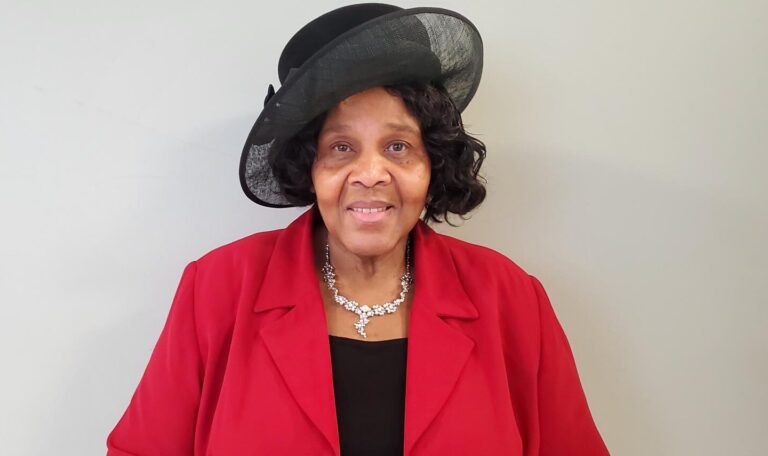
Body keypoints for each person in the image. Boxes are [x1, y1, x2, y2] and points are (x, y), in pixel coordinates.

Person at [107, 3, 610, 455]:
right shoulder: (217, 288)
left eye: (398, 147)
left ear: (432, 162)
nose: (370, 174)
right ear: (310, 165)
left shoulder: (511, 298)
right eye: (341, 148)